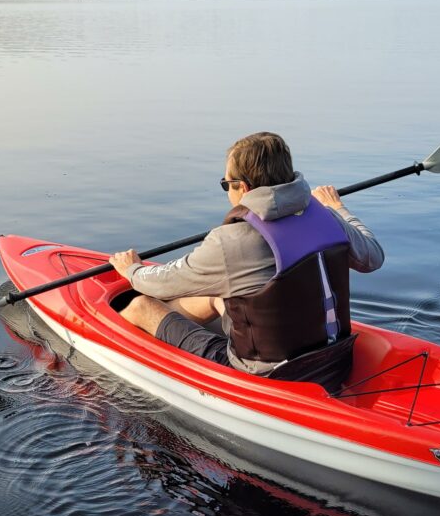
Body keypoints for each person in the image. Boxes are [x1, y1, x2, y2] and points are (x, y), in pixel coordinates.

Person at [108, 132, 383, 385]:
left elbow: (163, 283)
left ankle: (122, 343)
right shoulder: (328, 218)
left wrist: (131, 270)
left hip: (268, 375)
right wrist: (338, 207)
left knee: (142, 305)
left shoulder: (232, 241)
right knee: (214, 296)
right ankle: (166, 331)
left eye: (226, 184)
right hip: (336, 359)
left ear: (243, 188)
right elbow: (373, 258)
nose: (227, 191)